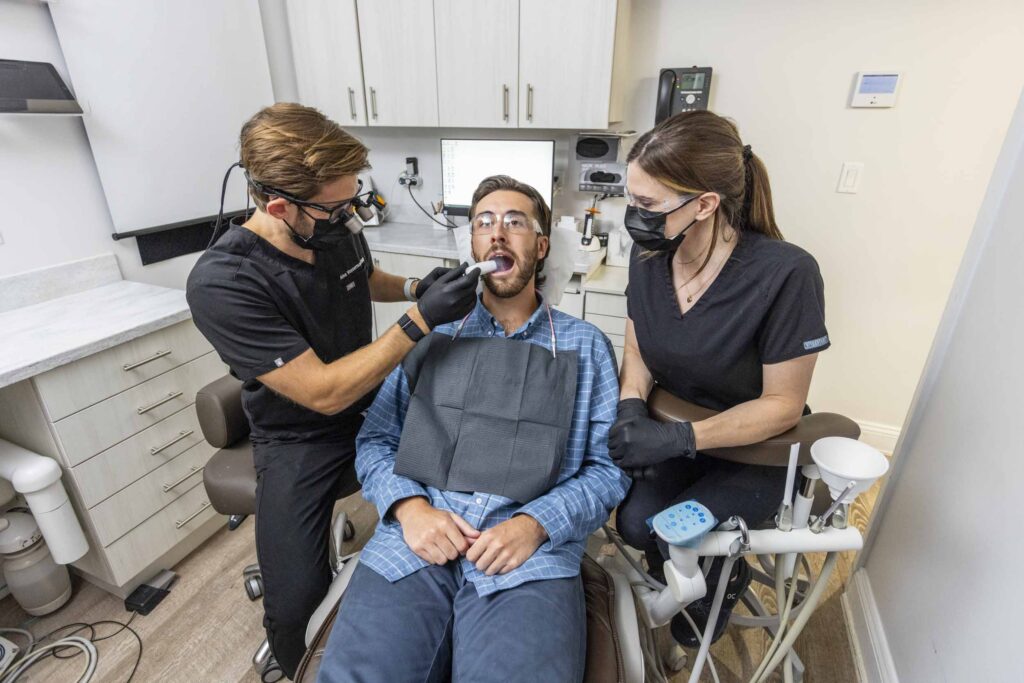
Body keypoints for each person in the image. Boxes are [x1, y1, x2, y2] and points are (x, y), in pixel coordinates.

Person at [186, 103, 481, 678]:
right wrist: (421, 319)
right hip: (301, 432)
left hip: (378, 397)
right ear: (278, 205)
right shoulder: (224, 282)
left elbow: (363, 279)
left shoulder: (331, 225)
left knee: (469, 489)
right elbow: (321, 393)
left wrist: (417, 285)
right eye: (336, 207)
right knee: (295, 607)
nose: (351, 218)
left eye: (354, 200)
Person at [316, 176, 630, 683]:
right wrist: (410, 508)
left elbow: (606, 469)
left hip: (529, 556)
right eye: (484, 223)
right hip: (415, 543)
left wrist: (535, 524)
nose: (497, 233)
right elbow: (375, 439)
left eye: (515, 222)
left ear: (542, 245)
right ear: (473, 246)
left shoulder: (585, 346)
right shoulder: (429, 335)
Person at [609, 110, 831, 646]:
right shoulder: (648, 258)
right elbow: (638, 346)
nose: (633, 216)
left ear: (705, 204)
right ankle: (686, 590)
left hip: (758, 449)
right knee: (636, 526)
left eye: (647, 205)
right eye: (630, 199)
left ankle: (710, 604)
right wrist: (631, 405)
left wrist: (682, 437)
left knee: (683, 548)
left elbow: (782, 403)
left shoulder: (786, 274)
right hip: (674, 431)